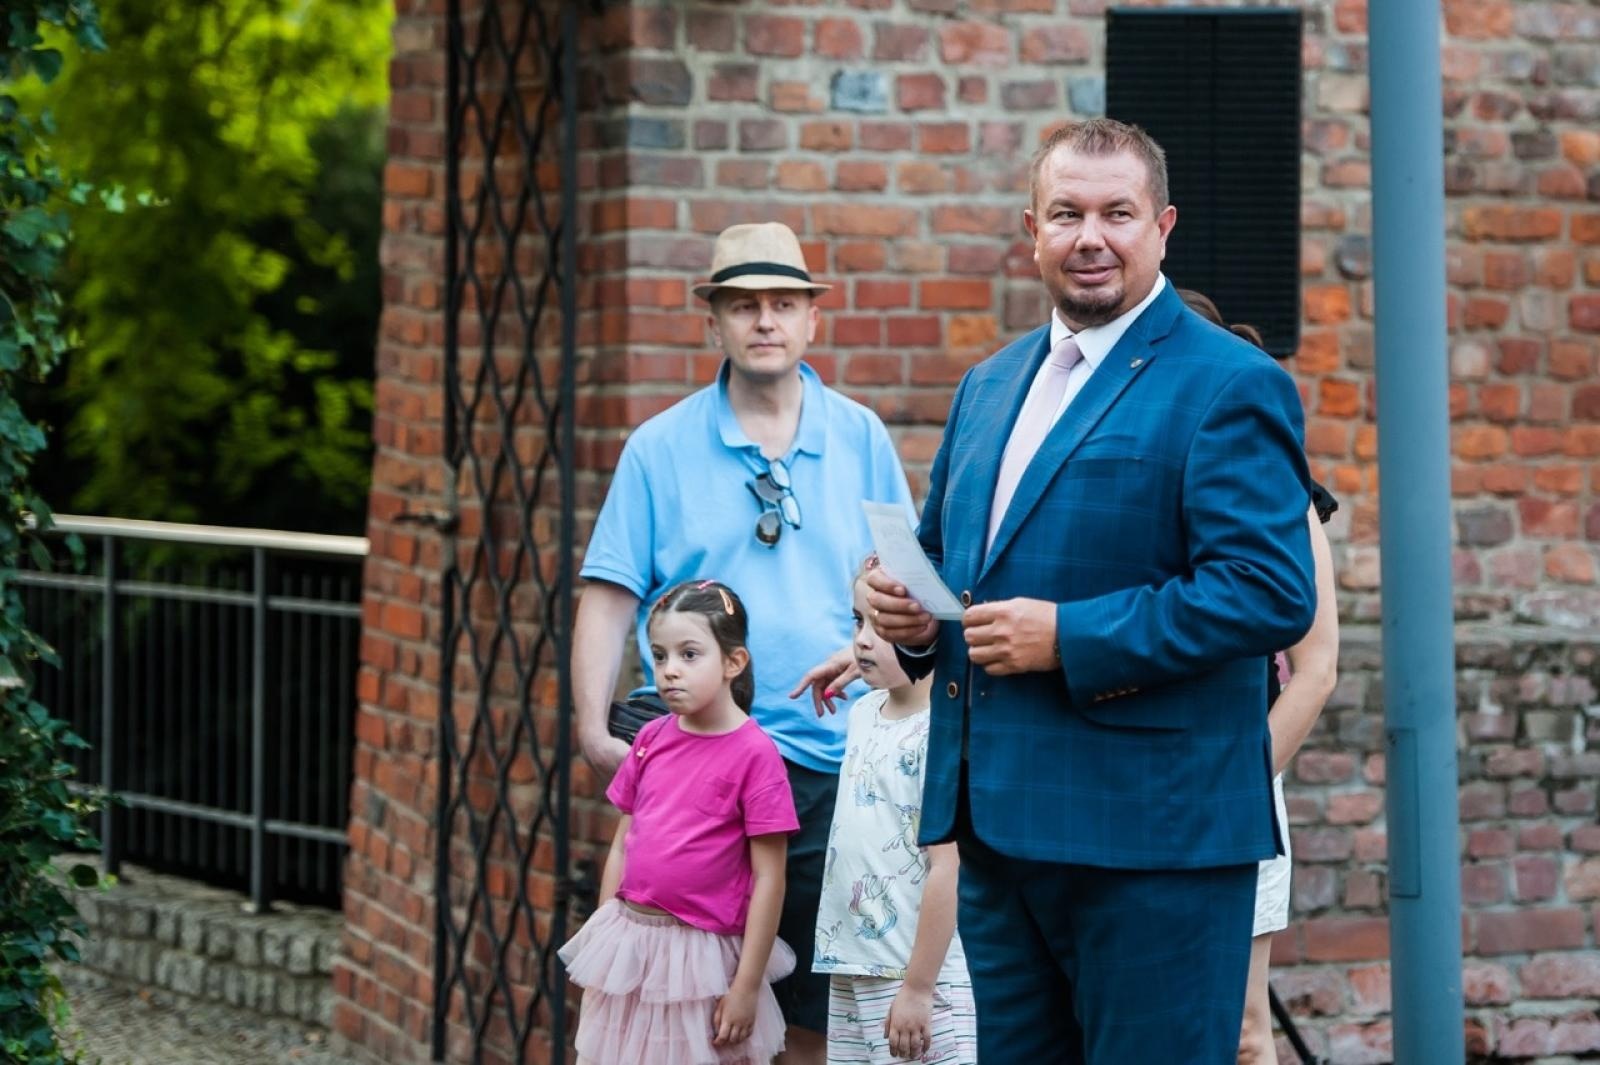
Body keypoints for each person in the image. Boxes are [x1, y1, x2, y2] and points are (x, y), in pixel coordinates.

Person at [864, 118, 1318, 1063]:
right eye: (1067, 213)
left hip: (1156, 844)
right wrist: (908, 619)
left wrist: (1071, 635)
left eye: (1118, 213)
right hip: (999, 831)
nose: (1091, 236)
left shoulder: (1231, 381)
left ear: (1163, 227)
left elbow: (1270, 592)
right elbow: (954, 570)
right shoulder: (989, 385)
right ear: (1031, 228)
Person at [572, 221, 916, 1063]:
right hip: (700, 760)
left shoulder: (861, 435)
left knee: (810, 1003)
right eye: (744, 305)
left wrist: (893, 680)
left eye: (783, 304)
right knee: (688, 990)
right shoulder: (659, 446)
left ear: (810, 321)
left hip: (835, 758)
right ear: (714, 323)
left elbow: (905, 586)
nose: (765, 320)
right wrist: (589, 728)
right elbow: (609, 592)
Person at [1176, 290, 1342, 1065]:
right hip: (1129, 785)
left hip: (1233, 786)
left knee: (1242, 1030)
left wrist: (1231, 783)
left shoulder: (1281, 497)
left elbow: (1315, 671)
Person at [560, 580, 798, 1065]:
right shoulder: (650, 739)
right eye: (660, 655)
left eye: (690, 655)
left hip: (700, 962)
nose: (670, 671)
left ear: (734, 662)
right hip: (632, 948)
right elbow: (625, 844)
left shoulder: (755, 755)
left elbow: (769, 876)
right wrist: (605, 937)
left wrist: (746, 987)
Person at [813, 556, 976, 1065]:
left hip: (916, 975)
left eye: (881, 626)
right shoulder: (863, 712)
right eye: (858, 621)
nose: (862, 639)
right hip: (852, 964)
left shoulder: (939, 733)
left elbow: (947, 867)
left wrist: (920, 987)